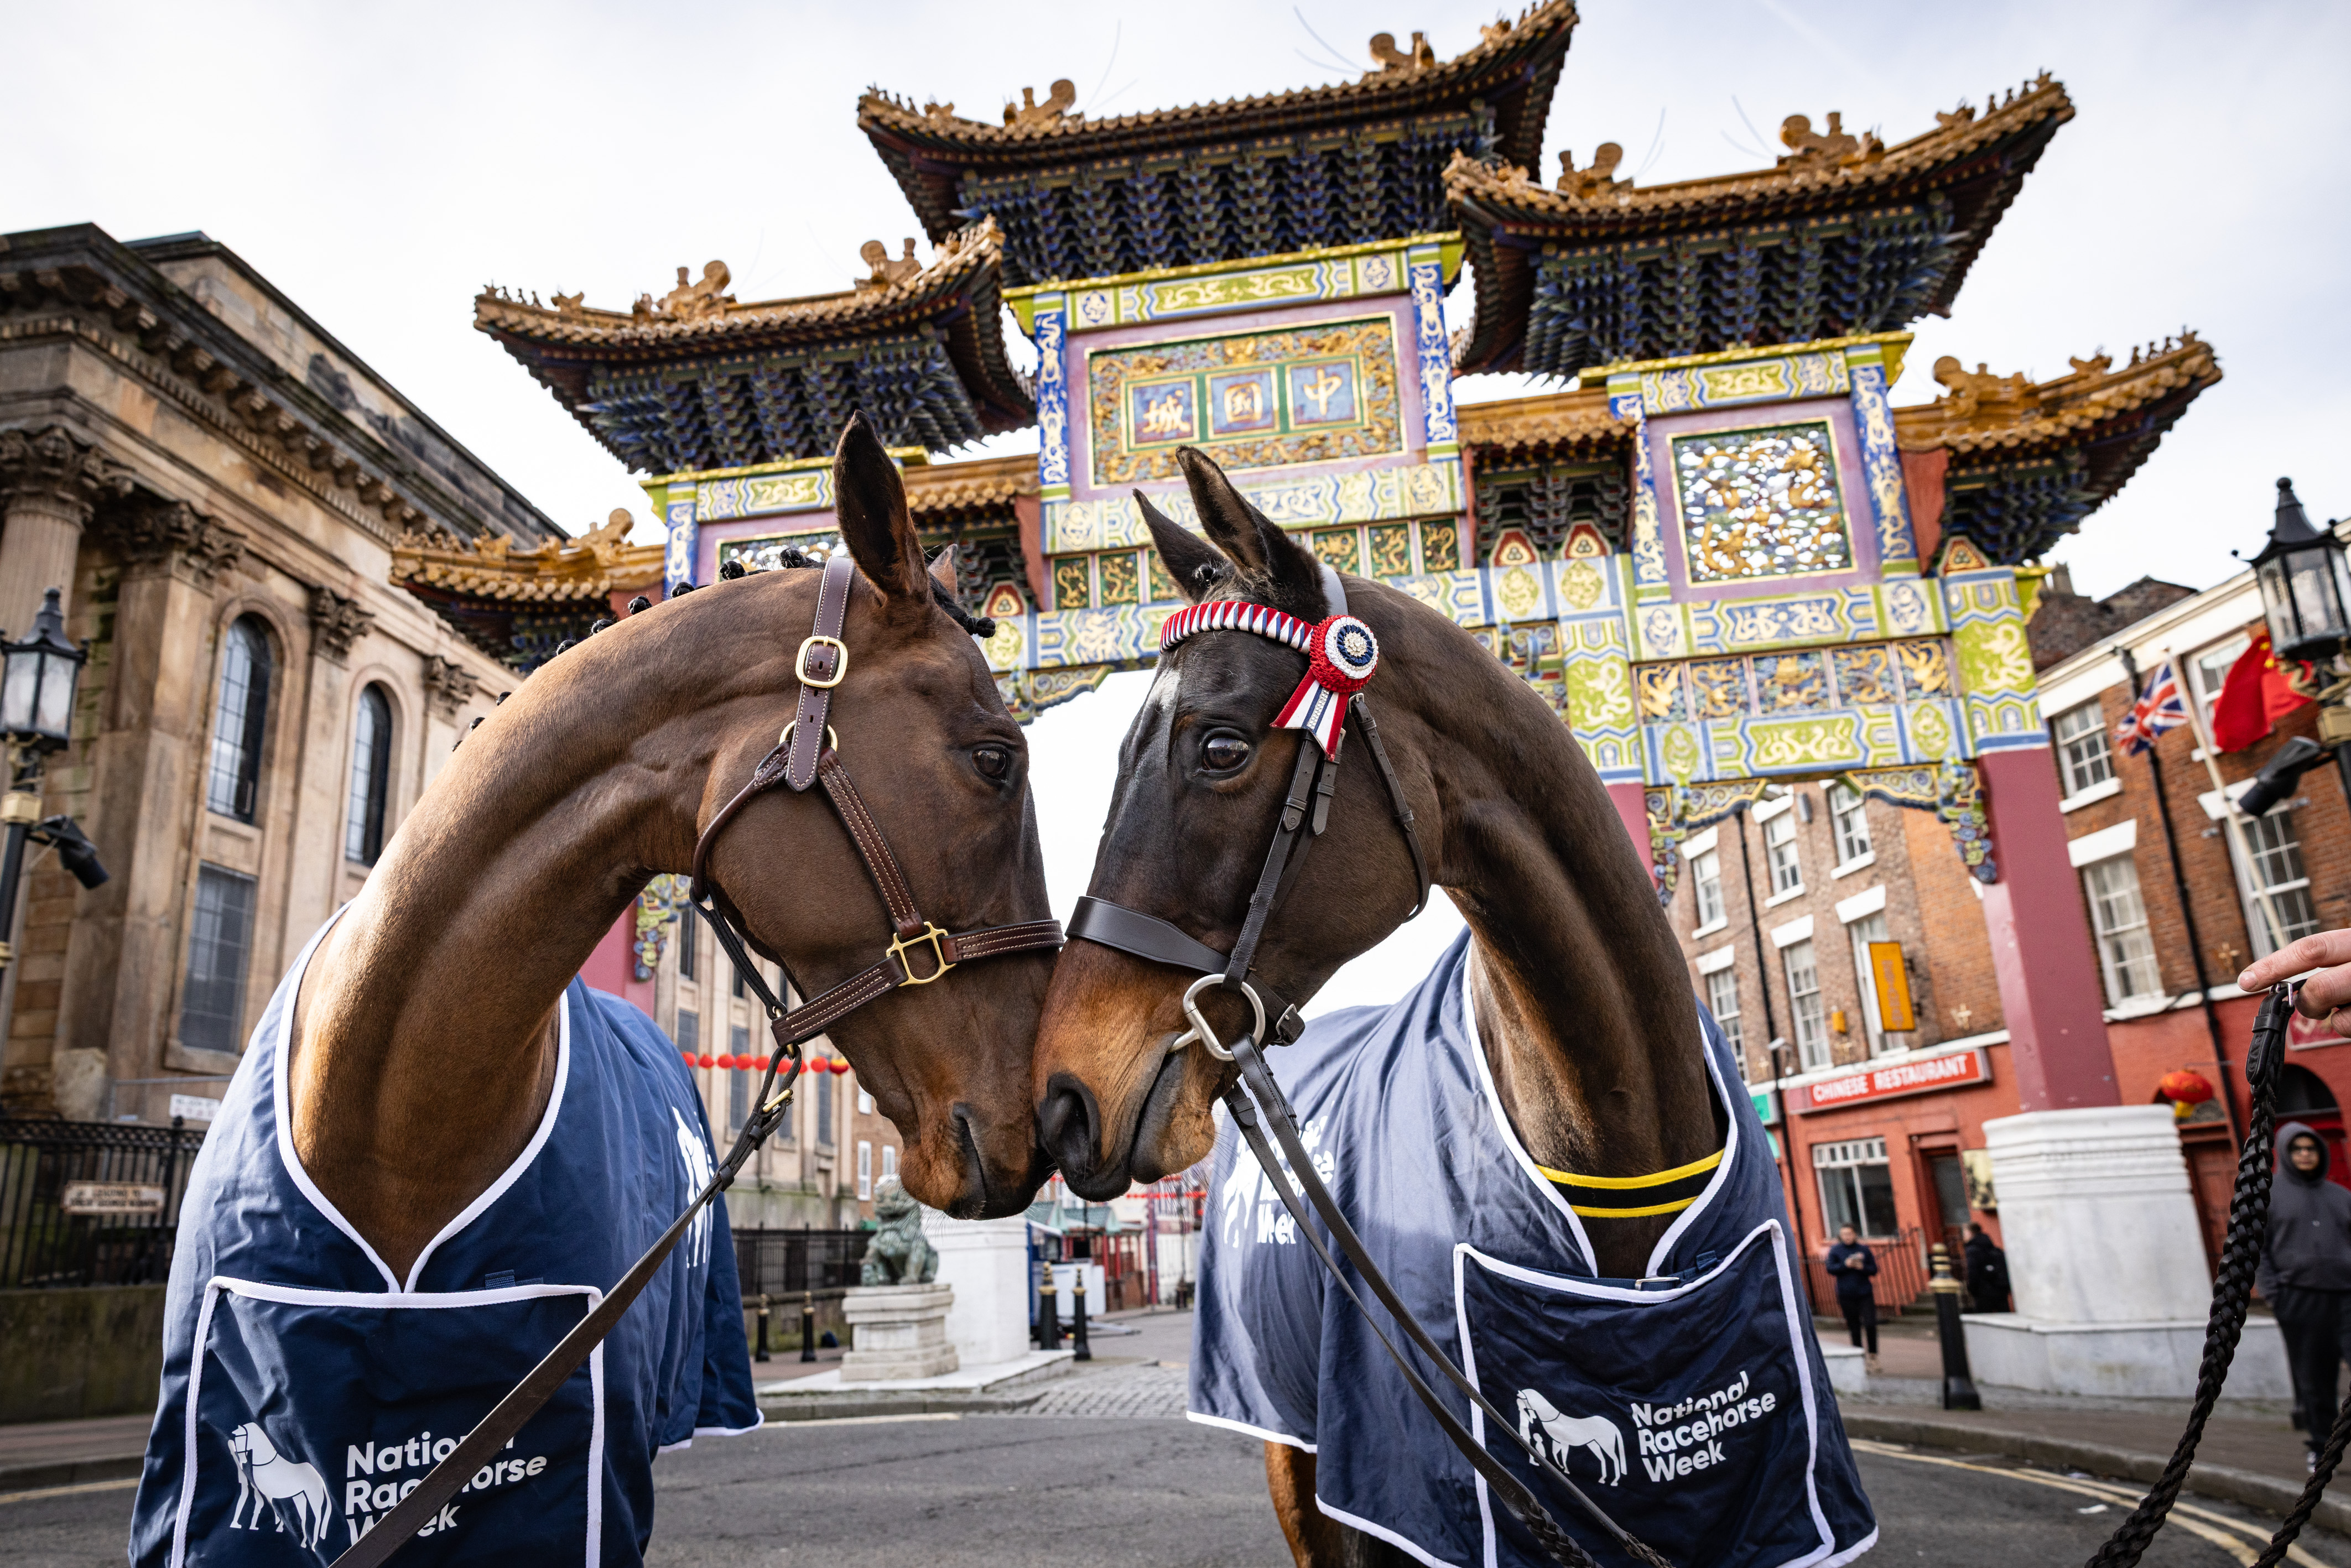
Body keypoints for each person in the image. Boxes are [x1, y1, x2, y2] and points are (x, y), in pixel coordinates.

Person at [2256, 1124, 2351, 1468]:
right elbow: (2258, 1250)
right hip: (2299, 1300)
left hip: (2346, 1295)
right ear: (2286, 1154)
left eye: (2312, 1148)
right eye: (2298, 1150)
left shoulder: (2341, 1196)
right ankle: (2322, 1448)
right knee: (2316, 1378)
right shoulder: (2268, 1195)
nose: (2306, 1154)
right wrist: (2274, 1294)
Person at [1824, 1224, 1880, 1372]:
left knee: (1870, 1324)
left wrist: (1863, 1268)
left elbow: (1874, 1269)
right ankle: (1859, 1358)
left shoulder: (1864, 1250)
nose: (1847, 1237)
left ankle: (1874, 1357)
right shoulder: (1836, 1250)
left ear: (1855, 1234)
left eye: (1849, 1234)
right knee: (1854, 1327)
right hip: (1846, 1294)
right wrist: (1846, 1264)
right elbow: (1830, 1268)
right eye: (1844, 1234)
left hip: (1865, 1293)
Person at [1963, 1222, 2010, 1313]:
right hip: (2000, 1289)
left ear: (1970, 1233)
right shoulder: (1990, 1245)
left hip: (1983, 1292)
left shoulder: (1972, 1250)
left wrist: (1973, 1290)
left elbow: (1973, 1272)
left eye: (1964, 1233)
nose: (1964, 1236)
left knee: (1983, 1320)